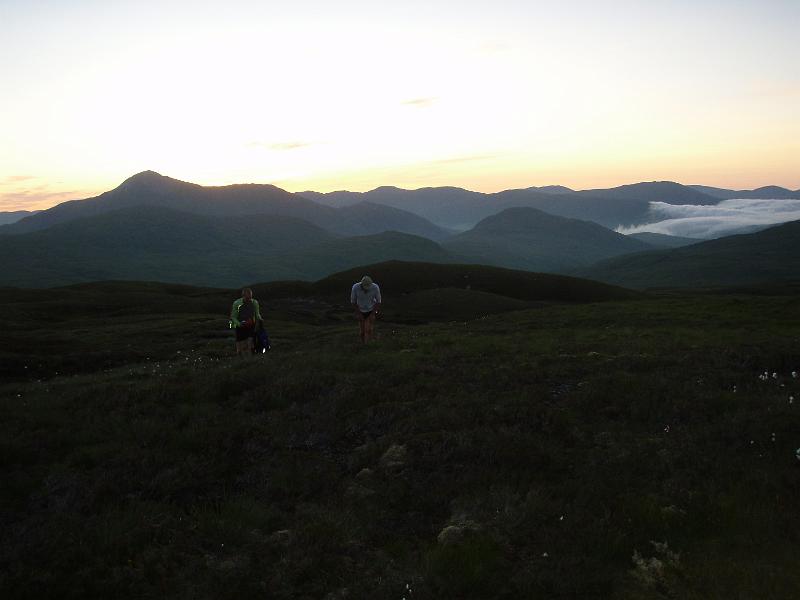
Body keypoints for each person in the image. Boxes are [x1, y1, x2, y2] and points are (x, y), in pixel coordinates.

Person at [230, 287, 263, 356]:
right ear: (243, 296)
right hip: (240, 327)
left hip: (251, 325)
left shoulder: (254, 302)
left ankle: (250, 361)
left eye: (250, 297)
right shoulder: (237, 303)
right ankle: (240, 360)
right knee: (240, 349)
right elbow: (233, 317)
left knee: (250, 344)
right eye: (248, 298)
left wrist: (260, 319)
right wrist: (239, 324)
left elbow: (257, 314)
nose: (249, 299)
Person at [351, 275, 381, 343]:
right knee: (362, 331)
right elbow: (353, 302)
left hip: (371, 310)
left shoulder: (375, 287)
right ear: (361, 284)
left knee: (369, 329)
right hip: (360, 310)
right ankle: (364, 344)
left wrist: (373, 314)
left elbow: (378, 301)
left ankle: (369, 343)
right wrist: (358, 313)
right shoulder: (355, 287)